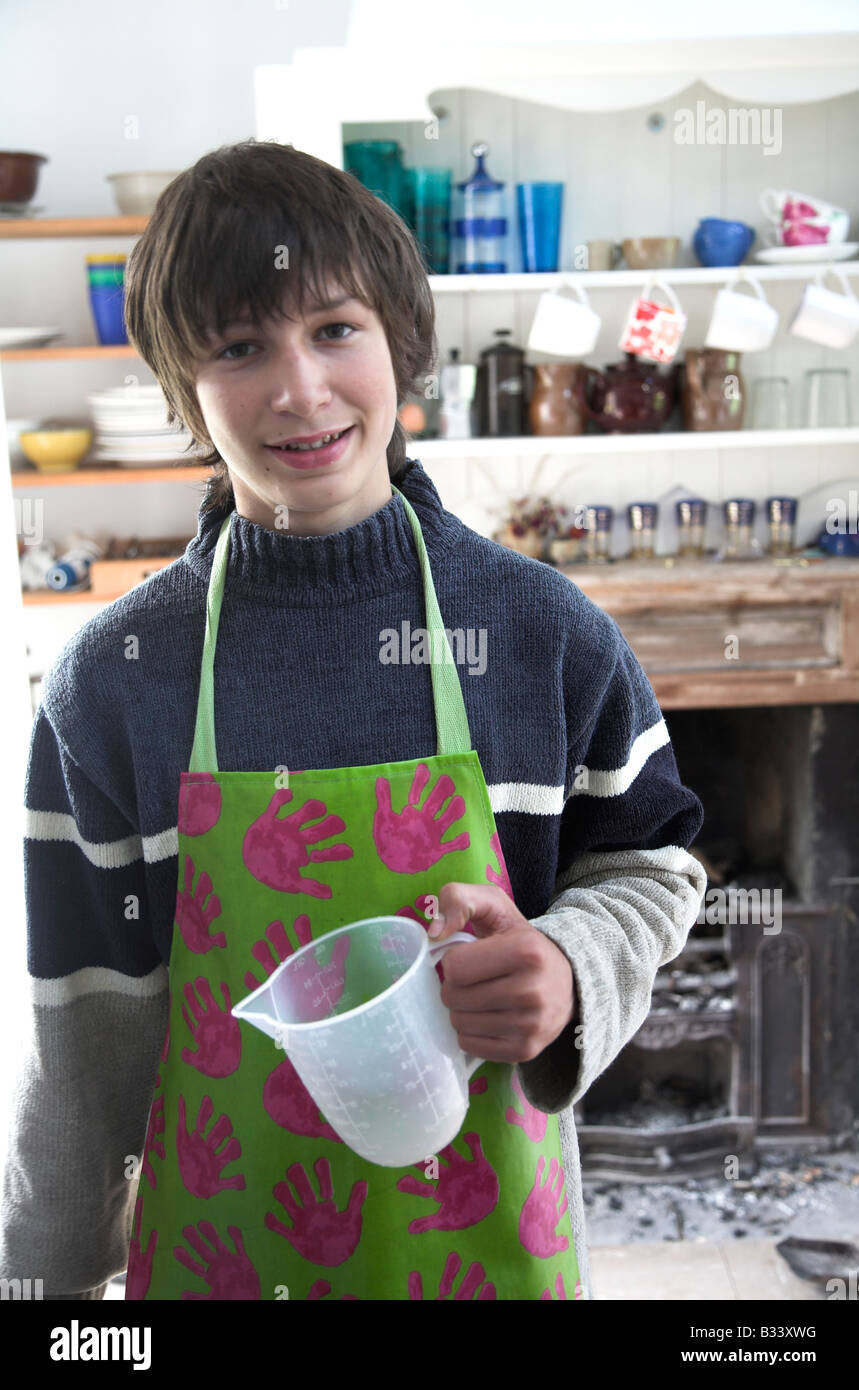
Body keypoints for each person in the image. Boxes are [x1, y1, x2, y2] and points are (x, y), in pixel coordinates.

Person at [0, 139, 706, 1301]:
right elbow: (86, 1032)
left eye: (334, 328)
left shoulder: (540, 634)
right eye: (237, 347)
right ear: (182, 392)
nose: (298, 388)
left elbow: (651, 861)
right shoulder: (115, 683)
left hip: (488, 1257)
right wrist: (47, 1292)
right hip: (225, 1264)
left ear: (399, 343)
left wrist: (572, 963)